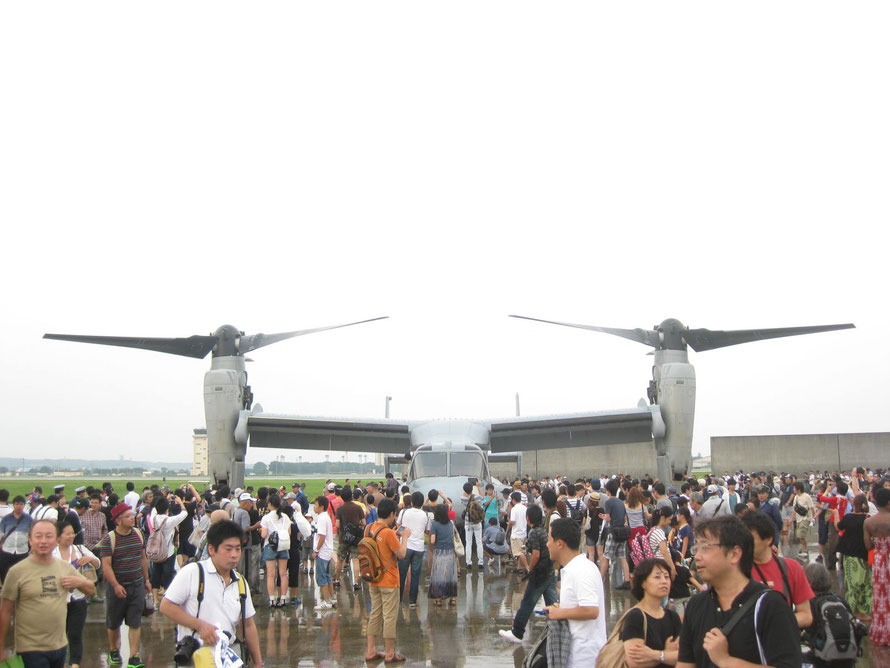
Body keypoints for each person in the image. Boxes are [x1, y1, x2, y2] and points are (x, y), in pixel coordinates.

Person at [676, 515, 801, 668]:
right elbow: (685, 663)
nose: (697, 556)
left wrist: (726, 661)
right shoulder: (696, 604)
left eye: (706, 547)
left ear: (734, 554)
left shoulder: (770, 605)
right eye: (697, 548)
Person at [160, 520, 263, 667]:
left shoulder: (240, 582)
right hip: (197, 658)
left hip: (228, 657)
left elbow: (248, 625)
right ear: (211, 549)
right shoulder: (193, 572)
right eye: (228, 549)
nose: (234, 555)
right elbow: (166, 606)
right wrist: (200, 625)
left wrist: (258, 663)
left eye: (238, 549)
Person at [0, 520, 95, 668]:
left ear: (56, 540)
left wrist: (79, 582)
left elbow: (91, 589)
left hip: (59, 646)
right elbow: (5, 611)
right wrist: (1, 647)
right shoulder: (17, 572)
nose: (43, 541)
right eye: (38, 536)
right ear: (30, 540)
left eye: (49, 536)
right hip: (30, 648)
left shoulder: (64, 567)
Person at [542, 518, 606, 665]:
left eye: (549, 539)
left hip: (584, 658)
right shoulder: (579, 567)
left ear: (560, 544)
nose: (547, 544)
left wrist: (559, 613)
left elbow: (591, 610)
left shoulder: (580, 571)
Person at [741, 510, 814, 629]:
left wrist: (774, 623)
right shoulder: (734, 569)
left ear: (768, 539)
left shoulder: (791, 568)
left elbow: (806, 616)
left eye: (750, 539)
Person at [98, 503, 150, 668]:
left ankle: (134, 656)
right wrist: (115, 585)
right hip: (117, 588)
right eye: (128, 516)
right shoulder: (109, 539)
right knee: (114, 622)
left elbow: (142, 558)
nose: (132, 518)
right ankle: (114, 651)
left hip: (136, 586)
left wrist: (146, 580)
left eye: (132, 515)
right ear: (118, 520)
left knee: (135, 622)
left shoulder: (138, 534)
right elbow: (106, 566)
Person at [499, 504, 558, 643]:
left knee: (527, 602)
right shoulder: (543, 530)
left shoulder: (533, 533)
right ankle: (557, 628)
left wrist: (530, 569)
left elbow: (536, 554)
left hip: (539, 574)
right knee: (552, 602)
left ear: (528, 518)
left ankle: (517, 632)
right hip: (549, 570)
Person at [364, 498, 411, 663]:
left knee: (375, 613)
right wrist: (404, 537)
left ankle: (371, 650)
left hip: (373, 578)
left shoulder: (369, 528)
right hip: (389, 580)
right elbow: (401, 554)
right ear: (391, 514)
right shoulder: (389, 533)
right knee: (390, 616)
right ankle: (390, 653)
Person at [616, 557, 682, 667]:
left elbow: (684, 656)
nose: (664, 581)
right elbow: (635, 662)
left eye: (666, 577)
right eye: (657, 577)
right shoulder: (636, 616)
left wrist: (655, 655)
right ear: (643, 583)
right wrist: (667, 654)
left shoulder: (673, 617)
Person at [52, 521, 99, 668]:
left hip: (78, 598)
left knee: (75, 634)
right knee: (58, 635)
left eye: (73, 533)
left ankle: (74, 664)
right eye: (67, 533)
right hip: (58, 601)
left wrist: (90, 559)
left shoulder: (80, 549)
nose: (71, 536)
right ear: (58, 537)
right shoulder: (52, 553)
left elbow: (97, 563)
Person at [837, 493, 872, 621]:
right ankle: (861, 611)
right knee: (864, 584)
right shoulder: (868, 518)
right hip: (863, 556)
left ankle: (851, 610)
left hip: (848, 556)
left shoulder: (847, 517)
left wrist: (836, 515)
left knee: (851, 584)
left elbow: (838, 527)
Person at [148, 495, 188, 608]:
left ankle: (155, 601)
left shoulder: (153, 519)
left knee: (155, 575)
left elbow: (153, 510)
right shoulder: (169, 521)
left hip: (155, 551)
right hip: (168, 553)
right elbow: (184, 514)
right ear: (167, 510)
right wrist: (180, 502)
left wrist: (164, 498)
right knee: (168, 575)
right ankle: (168, 598)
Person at [864, 485, 890, 646]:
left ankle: (882, 632)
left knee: (881, 597)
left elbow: (868, 546)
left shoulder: (868, 522)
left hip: (880, 560)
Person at [396, 491, 428, 608]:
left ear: (412, 501)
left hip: (406, 545)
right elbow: (426, 529)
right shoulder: (424, 514)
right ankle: (413, 601)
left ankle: (398, 599)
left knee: (402, 573)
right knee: (415, 574)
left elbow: (398, 524)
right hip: (419, 547)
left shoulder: (404, 512)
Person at [260, 494, 292, 608]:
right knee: (283, 574)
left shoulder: (266, 518)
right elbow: (289, 533)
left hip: (271, 546)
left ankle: (272, 599)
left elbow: (264, 535)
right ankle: (283, 598)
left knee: (270, 574)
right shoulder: (285, 517)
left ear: (270, 504)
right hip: (283, 546)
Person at [600, 478, 631, 589]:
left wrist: (604, 517)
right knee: (623, 557)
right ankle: (627, 580)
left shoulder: (609, 502)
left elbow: (608, 519)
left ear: (608, 491)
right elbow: (622, 518)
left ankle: (600, 580)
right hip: (622, 532)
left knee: (606, 557)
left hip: (613, 532)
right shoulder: (621, 502)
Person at [335, 485, 365, 590]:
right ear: (351, 496)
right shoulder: (358, 507)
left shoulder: (340, 509)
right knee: (355, 559)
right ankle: (356, 582)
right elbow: (363, 522)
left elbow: (337, 525)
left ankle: (337, 580)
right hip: (355, 538)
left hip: (343, 537)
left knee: (340, 559)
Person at [428, 504, 458, 606]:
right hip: (450, 552)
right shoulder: (450, 523)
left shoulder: (435, 525)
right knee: (451, 575)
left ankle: (438, 599)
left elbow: (432, 541)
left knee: (438, 575)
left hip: (439, 552)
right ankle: (453, 599)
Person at [0, 496, 32, 582]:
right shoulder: (6, 518)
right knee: (5, 574)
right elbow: (1, 534)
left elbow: (31, 535)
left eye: (21, 504)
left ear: (24, 505)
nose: (19, 506)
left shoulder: (28, 519)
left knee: (22, 576)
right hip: (7, 550)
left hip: (22, 551)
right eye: (17, 504)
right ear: (13, 505)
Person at [461, 482, 485, 571]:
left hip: (468, 523)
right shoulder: (477, 497)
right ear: (472, 489)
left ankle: (469, 562)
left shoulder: (463, 498)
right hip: (477, 522)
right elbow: (483, 497)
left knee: (468, 543)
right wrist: (477, 487)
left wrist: (466, 490)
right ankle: (481, 562)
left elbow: (463, 494)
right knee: (479, 542)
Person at [507, 491, 530, 573]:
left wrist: (509, 523)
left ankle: (527, 567)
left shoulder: (514, 509)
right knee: (523, 551)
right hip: (524, 533)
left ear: (513, 500)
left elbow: (513, 522)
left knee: (519, 553)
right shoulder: (525, 508)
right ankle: (519, 567)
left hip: (516, 534)